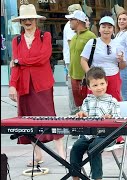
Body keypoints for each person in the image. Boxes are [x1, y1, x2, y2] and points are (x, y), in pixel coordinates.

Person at [9, 4, 66, 167]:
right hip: (24, 85)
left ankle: (61, 153)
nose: (28, 22)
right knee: (27, 119)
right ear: (21, 22)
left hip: (42, 84)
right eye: (24, 19)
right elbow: (15, 66)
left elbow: (43, 57)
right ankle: (37, 155)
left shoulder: (45, 36)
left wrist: (20, 61)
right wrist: (12, 85)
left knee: (50, 117)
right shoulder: (16, 40)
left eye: (30, 19)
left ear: (36, 20)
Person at [70, 67, 121, 180]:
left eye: (102, 83)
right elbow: (84, 119)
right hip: (88, 134)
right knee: (76, 147)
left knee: (94, 148)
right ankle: (75, 176)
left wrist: (110, 118)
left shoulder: (113, 102)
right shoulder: (87, 101)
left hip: (106, 135)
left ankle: (97, 178)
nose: (99, 87)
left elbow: (118, 120)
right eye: (95, 85)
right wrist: (82, 115)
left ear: (106, 83)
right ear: (89, 87)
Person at [80, 16, 126, 102]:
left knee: (113, 101)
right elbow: (83, 60)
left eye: (109, 27)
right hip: (96, 78)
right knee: (94, 102)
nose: (106, 30)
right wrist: (89, 74)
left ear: (113, 29)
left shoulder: (118, 44)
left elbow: (122, 66)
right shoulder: (92, 43)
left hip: (113, 77)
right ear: (99, 29)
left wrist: (122, 60)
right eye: (103, 27)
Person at [66, 10, 96, 108]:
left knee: (89, 105)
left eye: (71, 19)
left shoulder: (90, 36)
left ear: (78, 21)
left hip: (84, 77)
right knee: (79, 106)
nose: (69, 21)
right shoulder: (74, 37)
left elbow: (94, 56)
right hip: (73, 76)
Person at [63, 4, 82, 116]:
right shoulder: (70, 26)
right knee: (73, 86)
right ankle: (74, 111)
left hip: (72, 60)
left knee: (76, 86)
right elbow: (73, 47)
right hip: (72, 60)